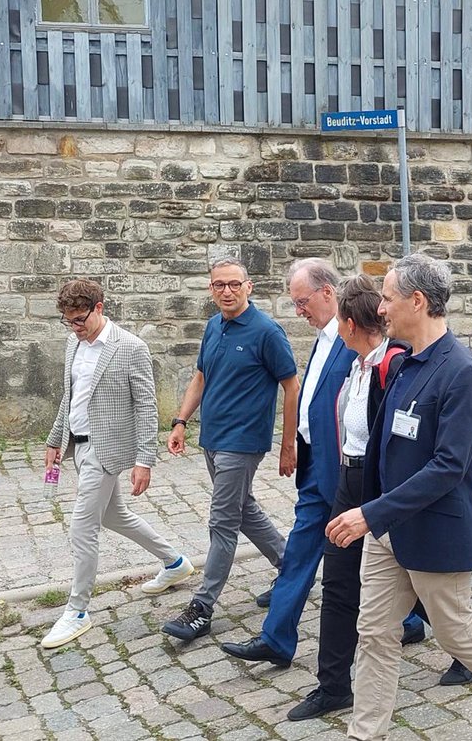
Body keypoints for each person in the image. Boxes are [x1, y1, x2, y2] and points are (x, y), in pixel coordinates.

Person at [326, 254, 472, 741]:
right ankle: (366, 733)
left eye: (387, 298)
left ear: (417, 301)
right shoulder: (404, 362)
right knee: (374, 632)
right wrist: (371, 511)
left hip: (434, 529)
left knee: (455, 632)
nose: (380, 309)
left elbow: (449, 467)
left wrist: (370, 514)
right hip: (387, 530)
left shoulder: (461, 372)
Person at [287, 274, 468, 722]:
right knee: (339, 583)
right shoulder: (356, 365)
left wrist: (382, 503)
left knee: (416, 581)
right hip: (350, 482)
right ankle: (333, 685)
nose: (335, 329)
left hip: (382, 487)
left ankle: (465, 649)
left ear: (350, 324)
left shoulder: (393, 366)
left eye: (339, 322)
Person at [41, 279, 193, 649]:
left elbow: (146, 406)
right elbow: (70, 397)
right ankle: (175, 563)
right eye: (68, 321)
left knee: (82, 527)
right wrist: (55, 439)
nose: (74, 327)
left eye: (79, 319)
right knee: (113, 516)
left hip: (106, 450)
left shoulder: (130, 347)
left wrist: (144, 460)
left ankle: (77, 611)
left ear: (99, 307)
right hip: (79, 445)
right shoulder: (73, 343)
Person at [220, 259, 356, 668]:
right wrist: (295, 443)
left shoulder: (352, 339)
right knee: (298, 552)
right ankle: (276, 638)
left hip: (344, 470)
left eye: (302, 302)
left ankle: (420, 620)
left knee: (375, 554)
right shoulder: (323, 337)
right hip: (316, 466)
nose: (298, 311)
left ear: (327, 293)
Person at [161, 258, 299, 642]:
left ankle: (202, 608)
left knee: (222, 521)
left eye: (234, 284)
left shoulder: (267, 332)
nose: (227, 291)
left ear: (248, 286)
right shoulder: (213, 326)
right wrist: (180, 421)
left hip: (243, 441)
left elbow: (291, 386)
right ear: (211, 289)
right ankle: (293, 570)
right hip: (213, 436)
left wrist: (288, 444)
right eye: (219, 285)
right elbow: (201, 377)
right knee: (243, 509)